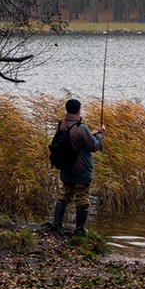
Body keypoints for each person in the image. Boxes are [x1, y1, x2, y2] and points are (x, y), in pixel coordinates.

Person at [46, 98, 105, 236]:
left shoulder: (61, 125)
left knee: (65, 194)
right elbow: (94, 146)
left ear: (67, 110)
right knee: (82, 197)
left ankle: (56, 223)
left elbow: (70, 139)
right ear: (78, 110)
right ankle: (79, 230)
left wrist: (91, 134)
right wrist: (101, 134)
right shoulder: (80, 127)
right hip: (81, 169)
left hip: (66, 168)